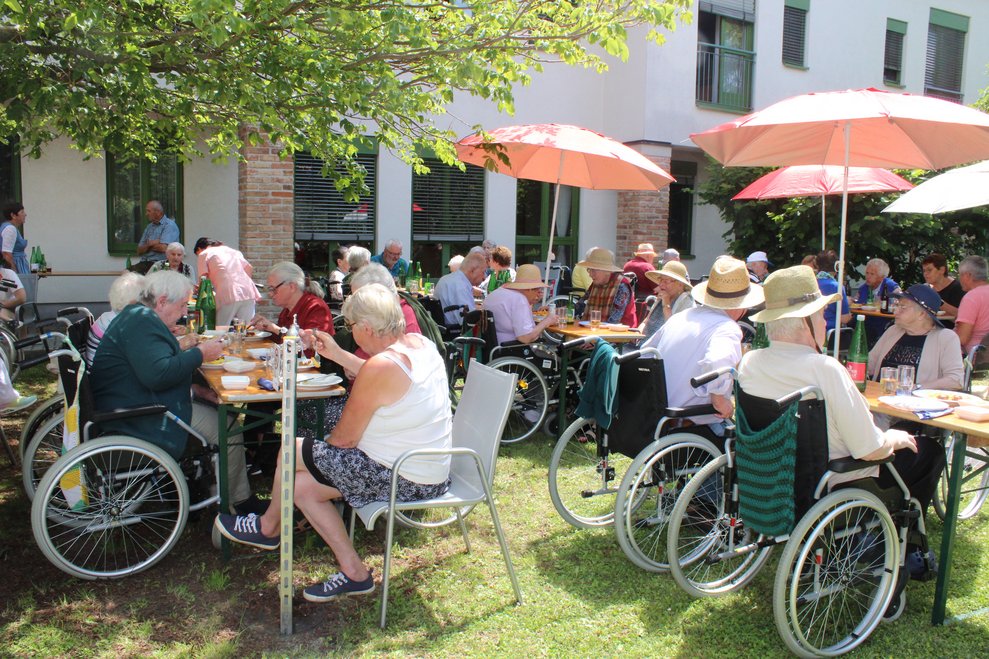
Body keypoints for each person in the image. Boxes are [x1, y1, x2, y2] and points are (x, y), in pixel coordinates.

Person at [214, 284, 453, 602]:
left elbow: (345, 439)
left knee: (292, 449)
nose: (350, 332)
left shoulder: (382, 366)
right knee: (298, 486)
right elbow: (386, 381)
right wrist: (337, 355)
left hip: (404, 478)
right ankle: (355, 573)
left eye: (351, 326)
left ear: (366, 328)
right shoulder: (418, 343)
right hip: (428, 469)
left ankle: (269, 528)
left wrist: (315, 446)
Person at [739, 265, 945, 562]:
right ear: (806, 322)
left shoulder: (751, 363)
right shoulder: (824, 369)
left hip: (774, 474)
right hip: (834, 479)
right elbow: (869, 448)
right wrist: (893, 438)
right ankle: (903, 548)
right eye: (821, 315)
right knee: (929, 451)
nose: (825, 322)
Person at [90, 271, 260, 514]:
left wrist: (196, 390)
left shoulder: (137, 317)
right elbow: (158, 374)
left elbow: (147, 371)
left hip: (132, 402)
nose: (183, 313)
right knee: (229, 428)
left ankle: (218, 492)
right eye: (182, 306)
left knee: (218, 413)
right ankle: (237, 504)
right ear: (161, 301)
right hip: (141, 416)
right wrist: (201, 353)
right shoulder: (142, 322)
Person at [642, 256, 763, 440]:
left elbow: (646, 352)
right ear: (741, 305)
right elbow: (717, 362)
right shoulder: (726, 327)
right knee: (738, 435)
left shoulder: (681, 317)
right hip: (687, 420)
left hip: (653, 414)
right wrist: (720, 401)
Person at [868, 284, 963, 390]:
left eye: (902, 307)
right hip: (879, 399)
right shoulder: (893, 331)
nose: (895, 311)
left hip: (918, 404)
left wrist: (916, 388)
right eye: (897, 305)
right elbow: (869, 364)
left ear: (922, 314)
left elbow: (955, 380)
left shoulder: (945, 338)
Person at [250, 261, 333, 345]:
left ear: (292, 287)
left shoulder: (316, 307)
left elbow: (311, 347)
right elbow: (280, 342)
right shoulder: (287, 310)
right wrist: (266, 329)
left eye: (273, 288)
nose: (270, 294)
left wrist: (275, 329)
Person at [194, 237, 262, 326]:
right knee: (247, 329)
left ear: (199, 249)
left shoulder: (204, 254)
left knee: (220, 329)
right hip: (248, 291)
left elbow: (203, 279)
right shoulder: (233, 251)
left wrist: (199, 290)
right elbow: (249, 268)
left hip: (227, 293)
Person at [484, 264, 557, 345]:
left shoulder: (496, 293)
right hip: (512, 349)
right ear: (530, 289)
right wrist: (547, 321)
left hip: (493, 347)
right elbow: (526, 337)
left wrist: (530, 302)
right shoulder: (519, 299)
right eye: (538, 290)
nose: (538, 294)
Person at [85, 271, 146, 366]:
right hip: (105, 376)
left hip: (101, 369)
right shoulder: (122, 324)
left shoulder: (110, 316)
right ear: (133, 301)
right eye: (145, 298)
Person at [576, 247, 637, 327]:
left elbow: (614, 320)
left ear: (607, 271)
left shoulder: (621, 286)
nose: (590, 274)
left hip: (622, 335)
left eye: (594, 270)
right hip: (597, 332)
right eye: (589, 270)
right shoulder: (596, 283)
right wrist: (564, 312)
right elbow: (581, 304)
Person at [640, 260, 694, 339]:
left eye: (666, 281)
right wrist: (637, 333)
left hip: (659, 349)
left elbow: (673, 330)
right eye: (661, 280)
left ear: (680, 284)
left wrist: (666, 304)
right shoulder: (662, 296)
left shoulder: (686, 301)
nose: (661, 284)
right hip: (643, 344)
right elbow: (646, 321)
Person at [855, 258, 901, 346]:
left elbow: (899, 302)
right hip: (865, 320)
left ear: (882, 277)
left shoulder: (891, 286)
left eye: (872, 274)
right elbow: (857, 303)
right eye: (867, 273)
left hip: (883, 322)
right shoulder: (863, 288)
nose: (868, 276)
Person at [434, 251, 486, 326]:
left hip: (444, 330)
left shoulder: (446, 279)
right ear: (473, 270)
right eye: (483, 272)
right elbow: (468, 321)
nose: (484, 277)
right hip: (456, 332)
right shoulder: (461, 286)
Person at [954, 255, 989, 354]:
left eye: (960, 275)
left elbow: (962, 338)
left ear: (967, 275)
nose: (959, 278)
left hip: (976, 358)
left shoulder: (971, 298)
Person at [1, 201, 34, 301]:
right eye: (22, 212)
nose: (25, 214)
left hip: (16, 265)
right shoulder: (10, 229)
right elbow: (6, 253)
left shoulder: (8, 227)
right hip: (15, 266)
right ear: (13, 215)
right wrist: (14, 272)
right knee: (20, 296)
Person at [136, 200, 180, 272]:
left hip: (161, 264)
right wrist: (151, 244)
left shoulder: (169, 225)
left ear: (158, 212)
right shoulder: (149, 227)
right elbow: (139, 250)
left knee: (147, 278)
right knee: (126, 274)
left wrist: (147, 246)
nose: (146, 214)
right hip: (144, 262)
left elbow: (163, 248)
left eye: (148, 211)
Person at [815, 249, 850, 333]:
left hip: (814, 330)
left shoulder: (812, 283)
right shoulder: (837, 287)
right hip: (831, 332)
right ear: (836, 266)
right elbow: (844, 319)